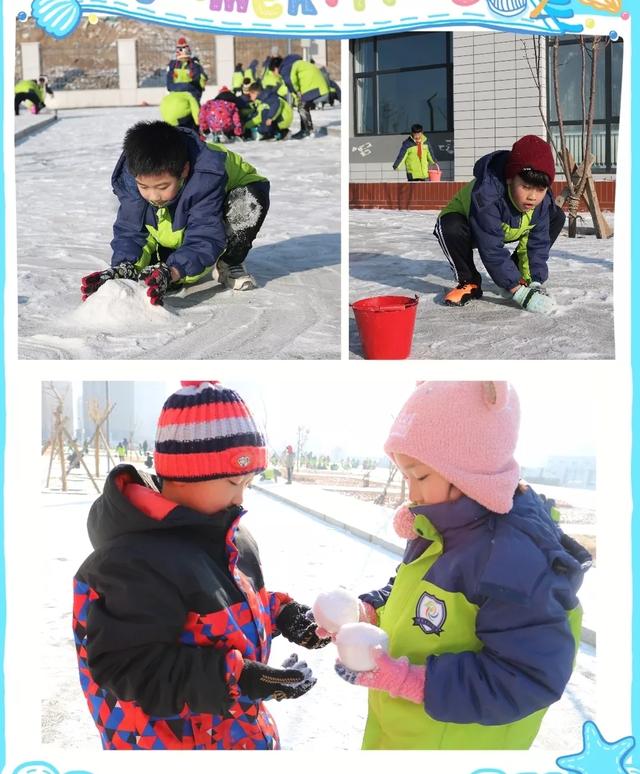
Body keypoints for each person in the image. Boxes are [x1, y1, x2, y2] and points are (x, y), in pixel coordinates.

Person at [72, 380, 329, 750]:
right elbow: (127, 667)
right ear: (184, 474)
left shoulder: (231, 535)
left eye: (248, 484)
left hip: (238, 734)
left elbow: (224, 607)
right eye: (233, 481)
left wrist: (283, 614)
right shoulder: (134, 563)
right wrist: (239, 679)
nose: (241, 498)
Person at [334, 381, 591, 750]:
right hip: (401, 735)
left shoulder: (512, 561)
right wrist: (370, 611)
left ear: (469, 469)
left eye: (420, 476)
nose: (412, 494)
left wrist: (412, 681)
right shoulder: (442, 525)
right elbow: (411, 592)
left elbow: (529, 676)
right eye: (405, 476)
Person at [80, 121, 270, 304]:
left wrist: (174, 271)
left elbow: (204, 233)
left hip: (232, 193)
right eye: (144, 186)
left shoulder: (206, 176)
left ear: (184, 170)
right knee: (159, 267)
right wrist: (124, 267)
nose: (153, 195)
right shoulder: (132, 178)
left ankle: (230, 261)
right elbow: (131, 229)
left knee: (248, 202)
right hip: (184, 195)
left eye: (162, 187)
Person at [433, 134, 565, 312]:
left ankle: (518, 274)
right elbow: (491, 247)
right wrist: (518, 292)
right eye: (526, 187)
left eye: (540, 189)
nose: (533, 197)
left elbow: (537, 244)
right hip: (472, 228)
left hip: (508, 228)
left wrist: (534, 282)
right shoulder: (487, 196)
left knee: (556, 216)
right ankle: (469, 281)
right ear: (510, 179)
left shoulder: (542, 204)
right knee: (450, 226)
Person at [275, 55, 330, 139]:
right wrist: (297, 95)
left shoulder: (285, 68)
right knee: (303, 106)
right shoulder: (296, 63)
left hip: (312, 86)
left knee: (302, 107)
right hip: (317, 84)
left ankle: (308, 131)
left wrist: (296, 91)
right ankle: (305, 130)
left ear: (276, 68)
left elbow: (289, 81)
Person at [166, 37, 208, 102]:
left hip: (190, 98)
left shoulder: (195, 66)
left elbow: (197, 86)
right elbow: (169, 86)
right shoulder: (173, 66)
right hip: (176, 98)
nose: (183, 58)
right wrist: (186, 87)